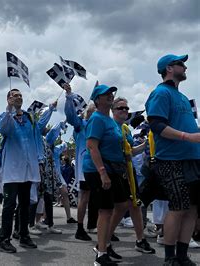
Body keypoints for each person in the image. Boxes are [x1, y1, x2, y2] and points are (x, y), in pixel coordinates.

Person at [145, 54, 200, 265]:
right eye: (180, 64)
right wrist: (188, 136)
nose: (185, 67)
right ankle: (169, 258)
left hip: (192, 159)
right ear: (169, 68)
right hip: (171, 159)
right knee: (177, 207)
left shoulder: (183, 97)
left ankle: (182, 255)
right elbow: (157, 125)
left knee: (192, 208)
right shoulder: (160, 93)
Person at [0, 88, 48, 253]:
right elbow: (3, 129)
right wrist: (8, 109)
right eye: (14, 95)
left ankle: (23, 234)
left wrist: (40, 162)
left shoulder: (29, 118)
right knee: (9, 205)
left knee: (25, 204)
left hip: (27, 169)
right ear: (8, 99)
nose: (18, 97)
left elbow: (36, 139)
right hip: (12, 170)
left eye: (20, 95)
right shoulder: (5, 117)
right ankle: (4, 239)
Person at [83, 84, 127, 265]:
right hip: (98, 170)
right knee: (106, 210)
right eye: (105, 94)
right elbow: (92, 146)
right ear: (97, 99)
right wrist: (102, 173)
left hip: (114, 169)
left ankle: (105, 244)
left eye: (111, 93)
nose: (110, 95)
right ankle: (101, 255)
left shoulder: (110, 120)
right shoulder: (97, 119)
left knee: (122, 205)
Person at [107, 97, 155, 256]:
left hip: (128, 171)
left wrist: (145, 144)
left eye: (126, 108)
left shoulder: (126, 129)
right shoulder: (109, 126)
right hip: (114, 171)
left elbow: (131, 151)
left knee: (135, 204)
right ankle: (104, 242)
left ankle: (140, 240)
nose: (125, 111)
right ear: (113, 110)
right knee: (120, 208)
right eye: (121, 108)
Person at [64, 83, 98, 241]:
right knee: (84, 196)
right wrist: (69, 95)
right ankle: (80, 228)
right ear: (87, 114)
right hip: (85, 168)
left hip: (99, 167)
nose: (96, 115)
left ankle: (93, 225)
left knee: (96, 197)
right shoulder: (81, 126)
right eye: (92, 112)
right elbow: (70, 116)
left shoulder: (100, 126)